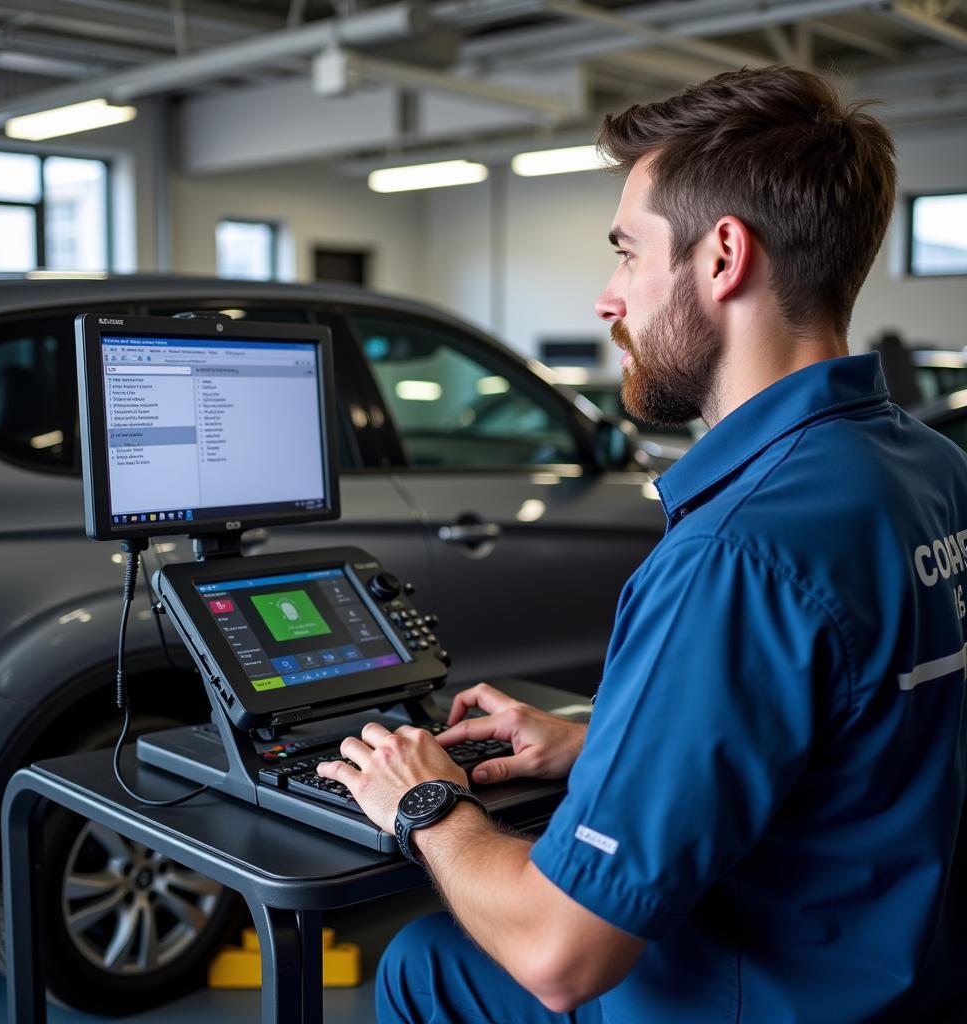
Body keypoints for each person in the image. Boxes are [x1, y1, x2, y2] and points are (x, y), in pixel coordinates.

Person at [317, 65, 967, 1022]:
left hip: (763, 994)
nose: (608, 299)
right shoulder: (925, 467)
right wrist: (602, 750)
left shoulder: (736, 553)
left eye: (627, 253)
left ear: (723, 258)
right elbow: (857, 741)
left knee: (423, 962)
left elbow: (560, 954)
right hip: (904, 972)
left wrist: (425, 803)